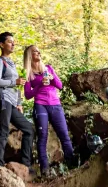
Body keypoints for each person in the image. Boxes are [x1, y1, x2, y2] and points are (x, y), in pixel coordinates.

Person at [23, 45, 74, 176]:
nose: (38, 53)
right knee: (43, 137)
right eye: (35, 51)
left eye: (39, 51)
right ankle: (45, 169)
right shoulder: (28, 73)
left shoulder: (48, 68)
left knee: (64, 135)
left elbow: (60, 85)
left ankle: (72, 164)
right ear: (29, 55)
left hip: (55, 104)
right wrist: (40, 84)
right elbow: (28, 95)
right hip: (40, 105)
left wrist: (52, 77)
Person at [0, 32, 34, 167]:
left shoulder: (12, 64)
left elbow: (17, 85)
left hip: (12, 101)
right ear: (1, 44)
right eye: (10, 41)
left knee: (28, 129)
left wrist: (19, 103)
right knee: (3, 131)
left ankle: (25, 165)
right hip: (2, 100)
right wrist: (13, 81)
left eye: (13, 41)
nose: (13, 44)